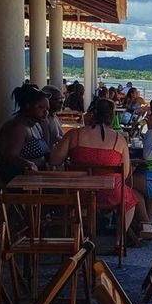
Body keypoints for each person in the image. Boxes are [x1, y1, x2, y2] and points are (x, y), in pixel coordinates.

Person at [49, 98, 145, 231]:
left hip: (79, 192)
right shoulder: (119, 139)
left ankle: (77, 234)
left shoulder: (74, 135)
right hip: (111, 193)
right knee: (129, 199)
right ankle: (119, 240)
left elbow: (54, 160)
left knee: (74, 197)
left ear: (92, 114)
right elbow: (126, 173)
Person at [0, 84, 50, 183]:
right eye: (41, 107)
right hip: (20, 181)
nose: (46, 112)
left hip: (36, 178)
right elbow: (9, 157)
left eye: (47, 109)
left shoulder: (36, 125)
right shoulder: (17, 127)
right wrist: (29, 164)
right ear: (28, 105)